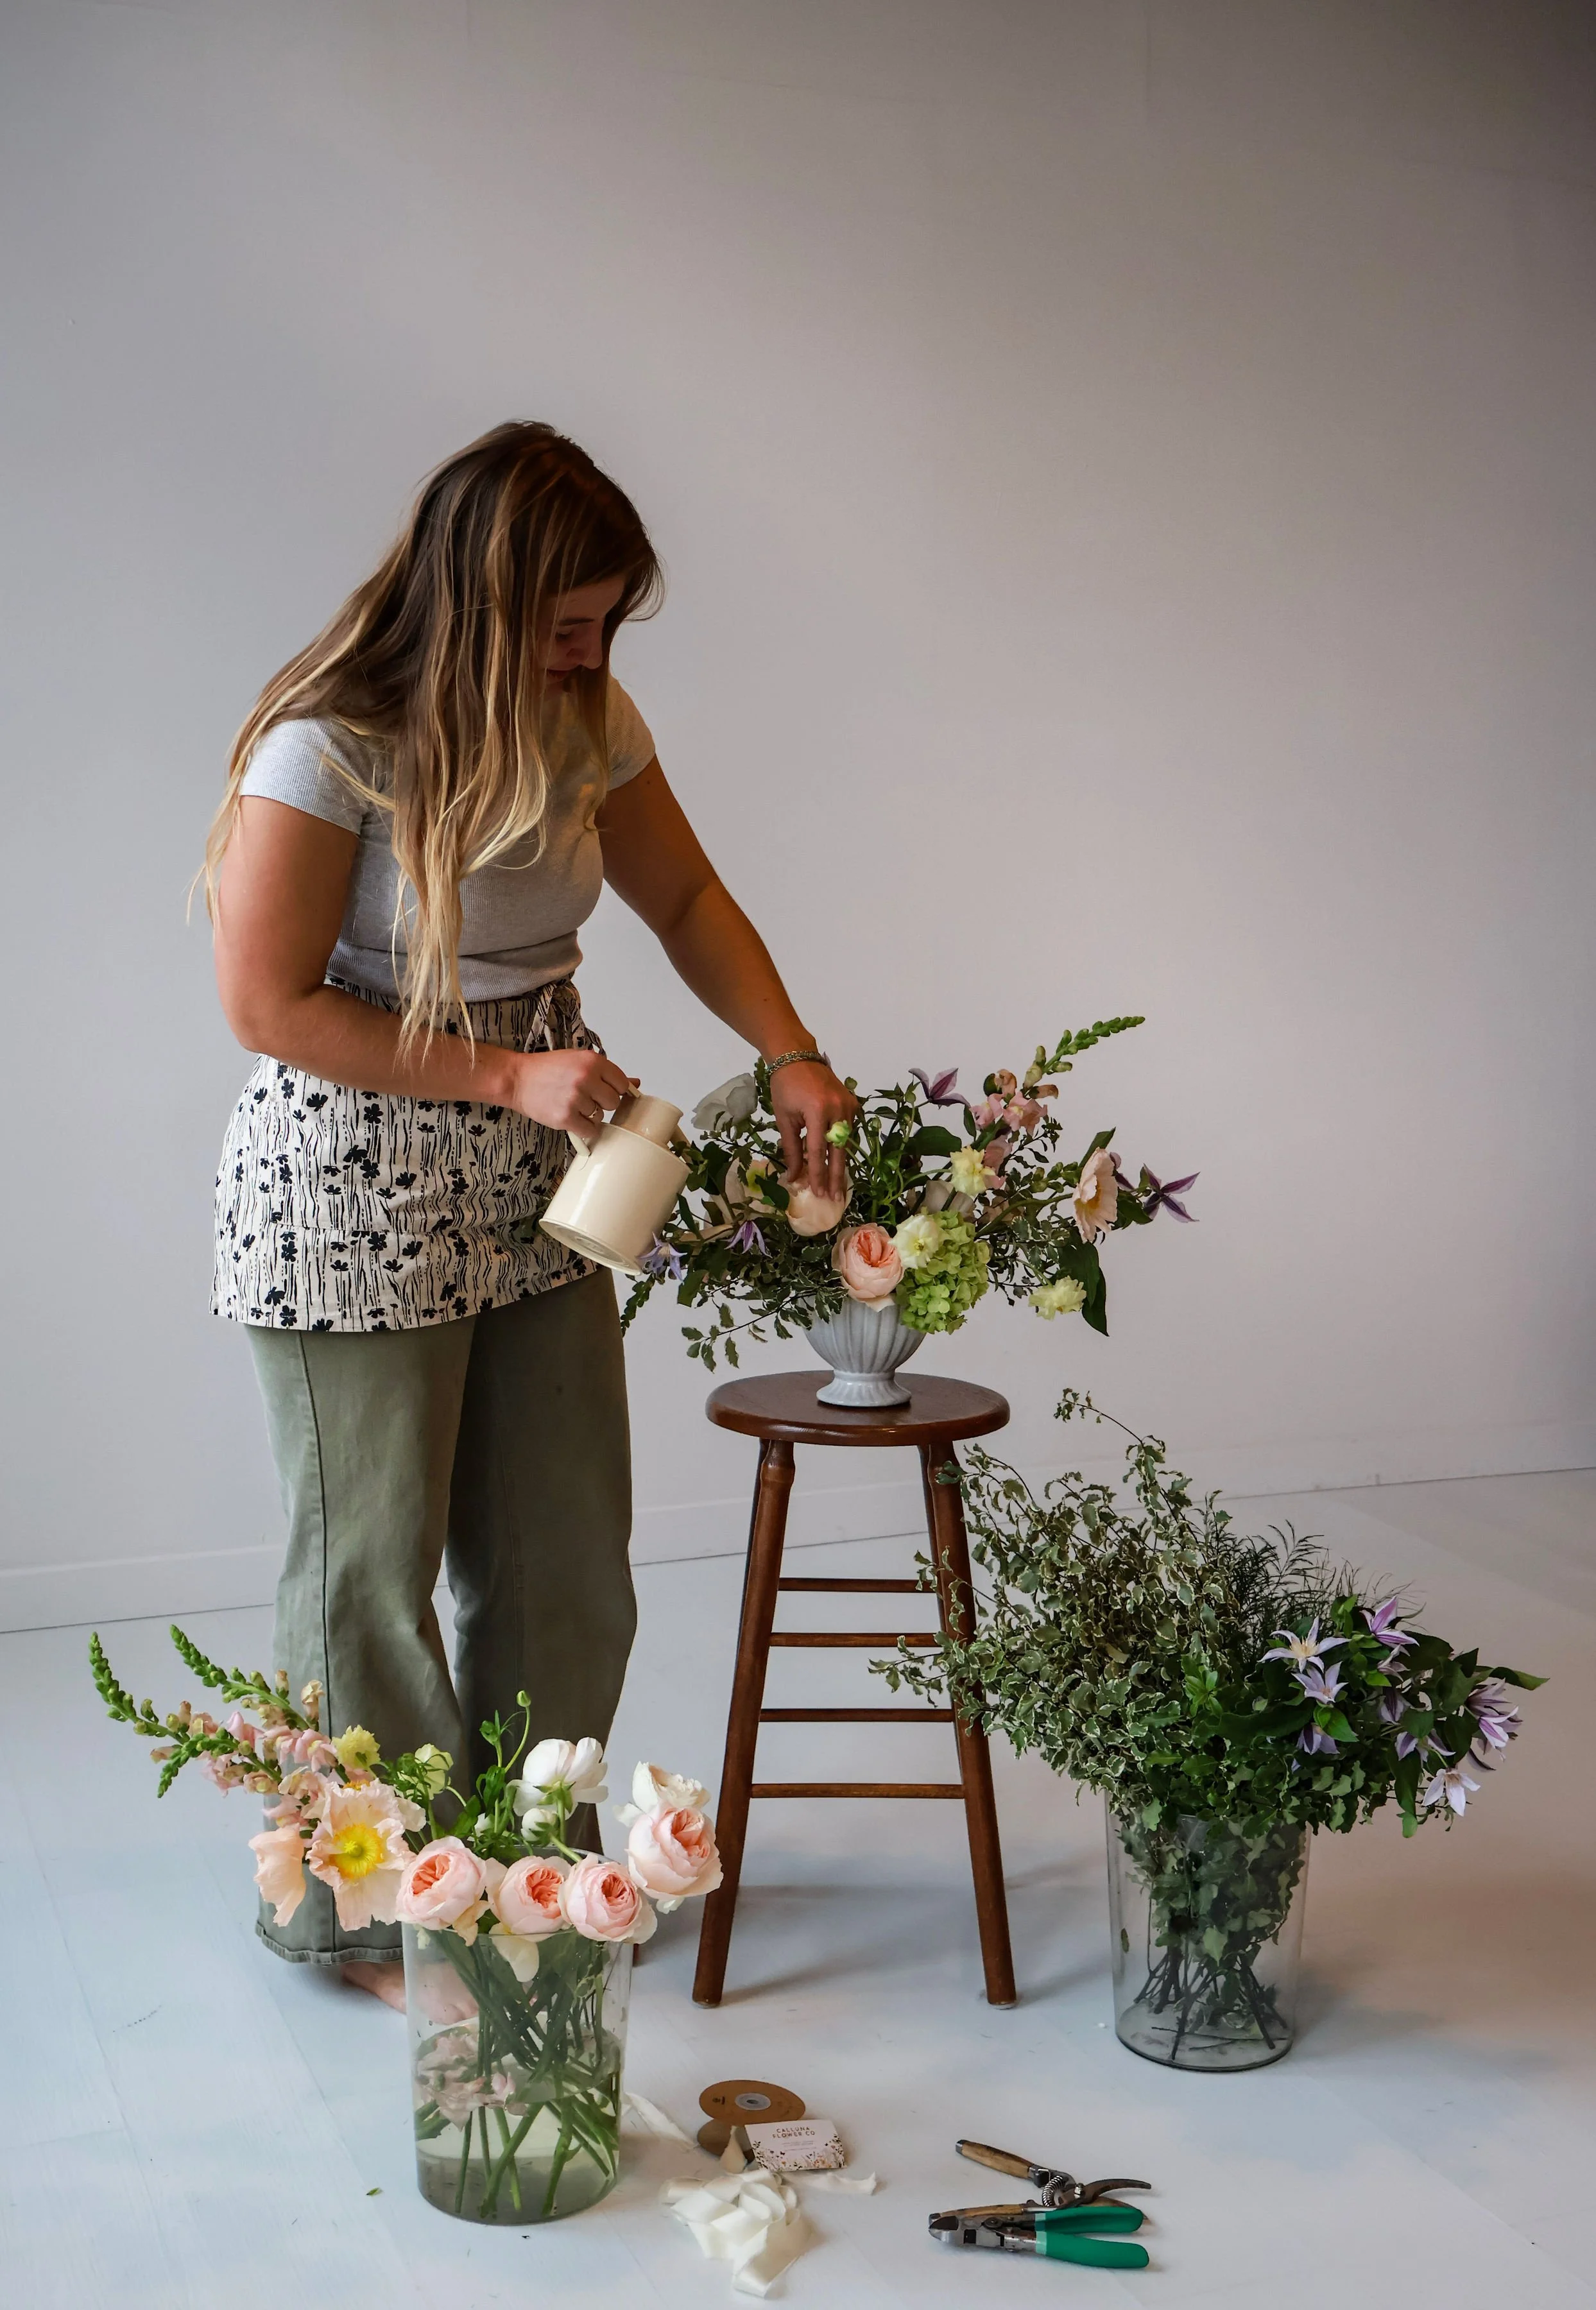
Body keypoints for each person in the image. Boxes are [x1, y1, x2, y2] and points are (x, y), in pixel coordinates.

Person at [205, 421, 855, 2006]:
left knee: (563, 1551)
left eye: (606, 627)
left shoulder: (587, 720)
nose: (591, 655)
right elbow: (267, 1004)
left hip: (538, 1168)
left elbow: (688, 901)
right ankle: (380, 1910)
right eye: (568, 626)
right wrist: (505, 1081)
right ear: (482, 598)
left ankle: (524, 1870)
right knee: (370, 1568)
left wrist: (792, 1054)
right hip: (347, 1179)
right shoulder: (328, 745)